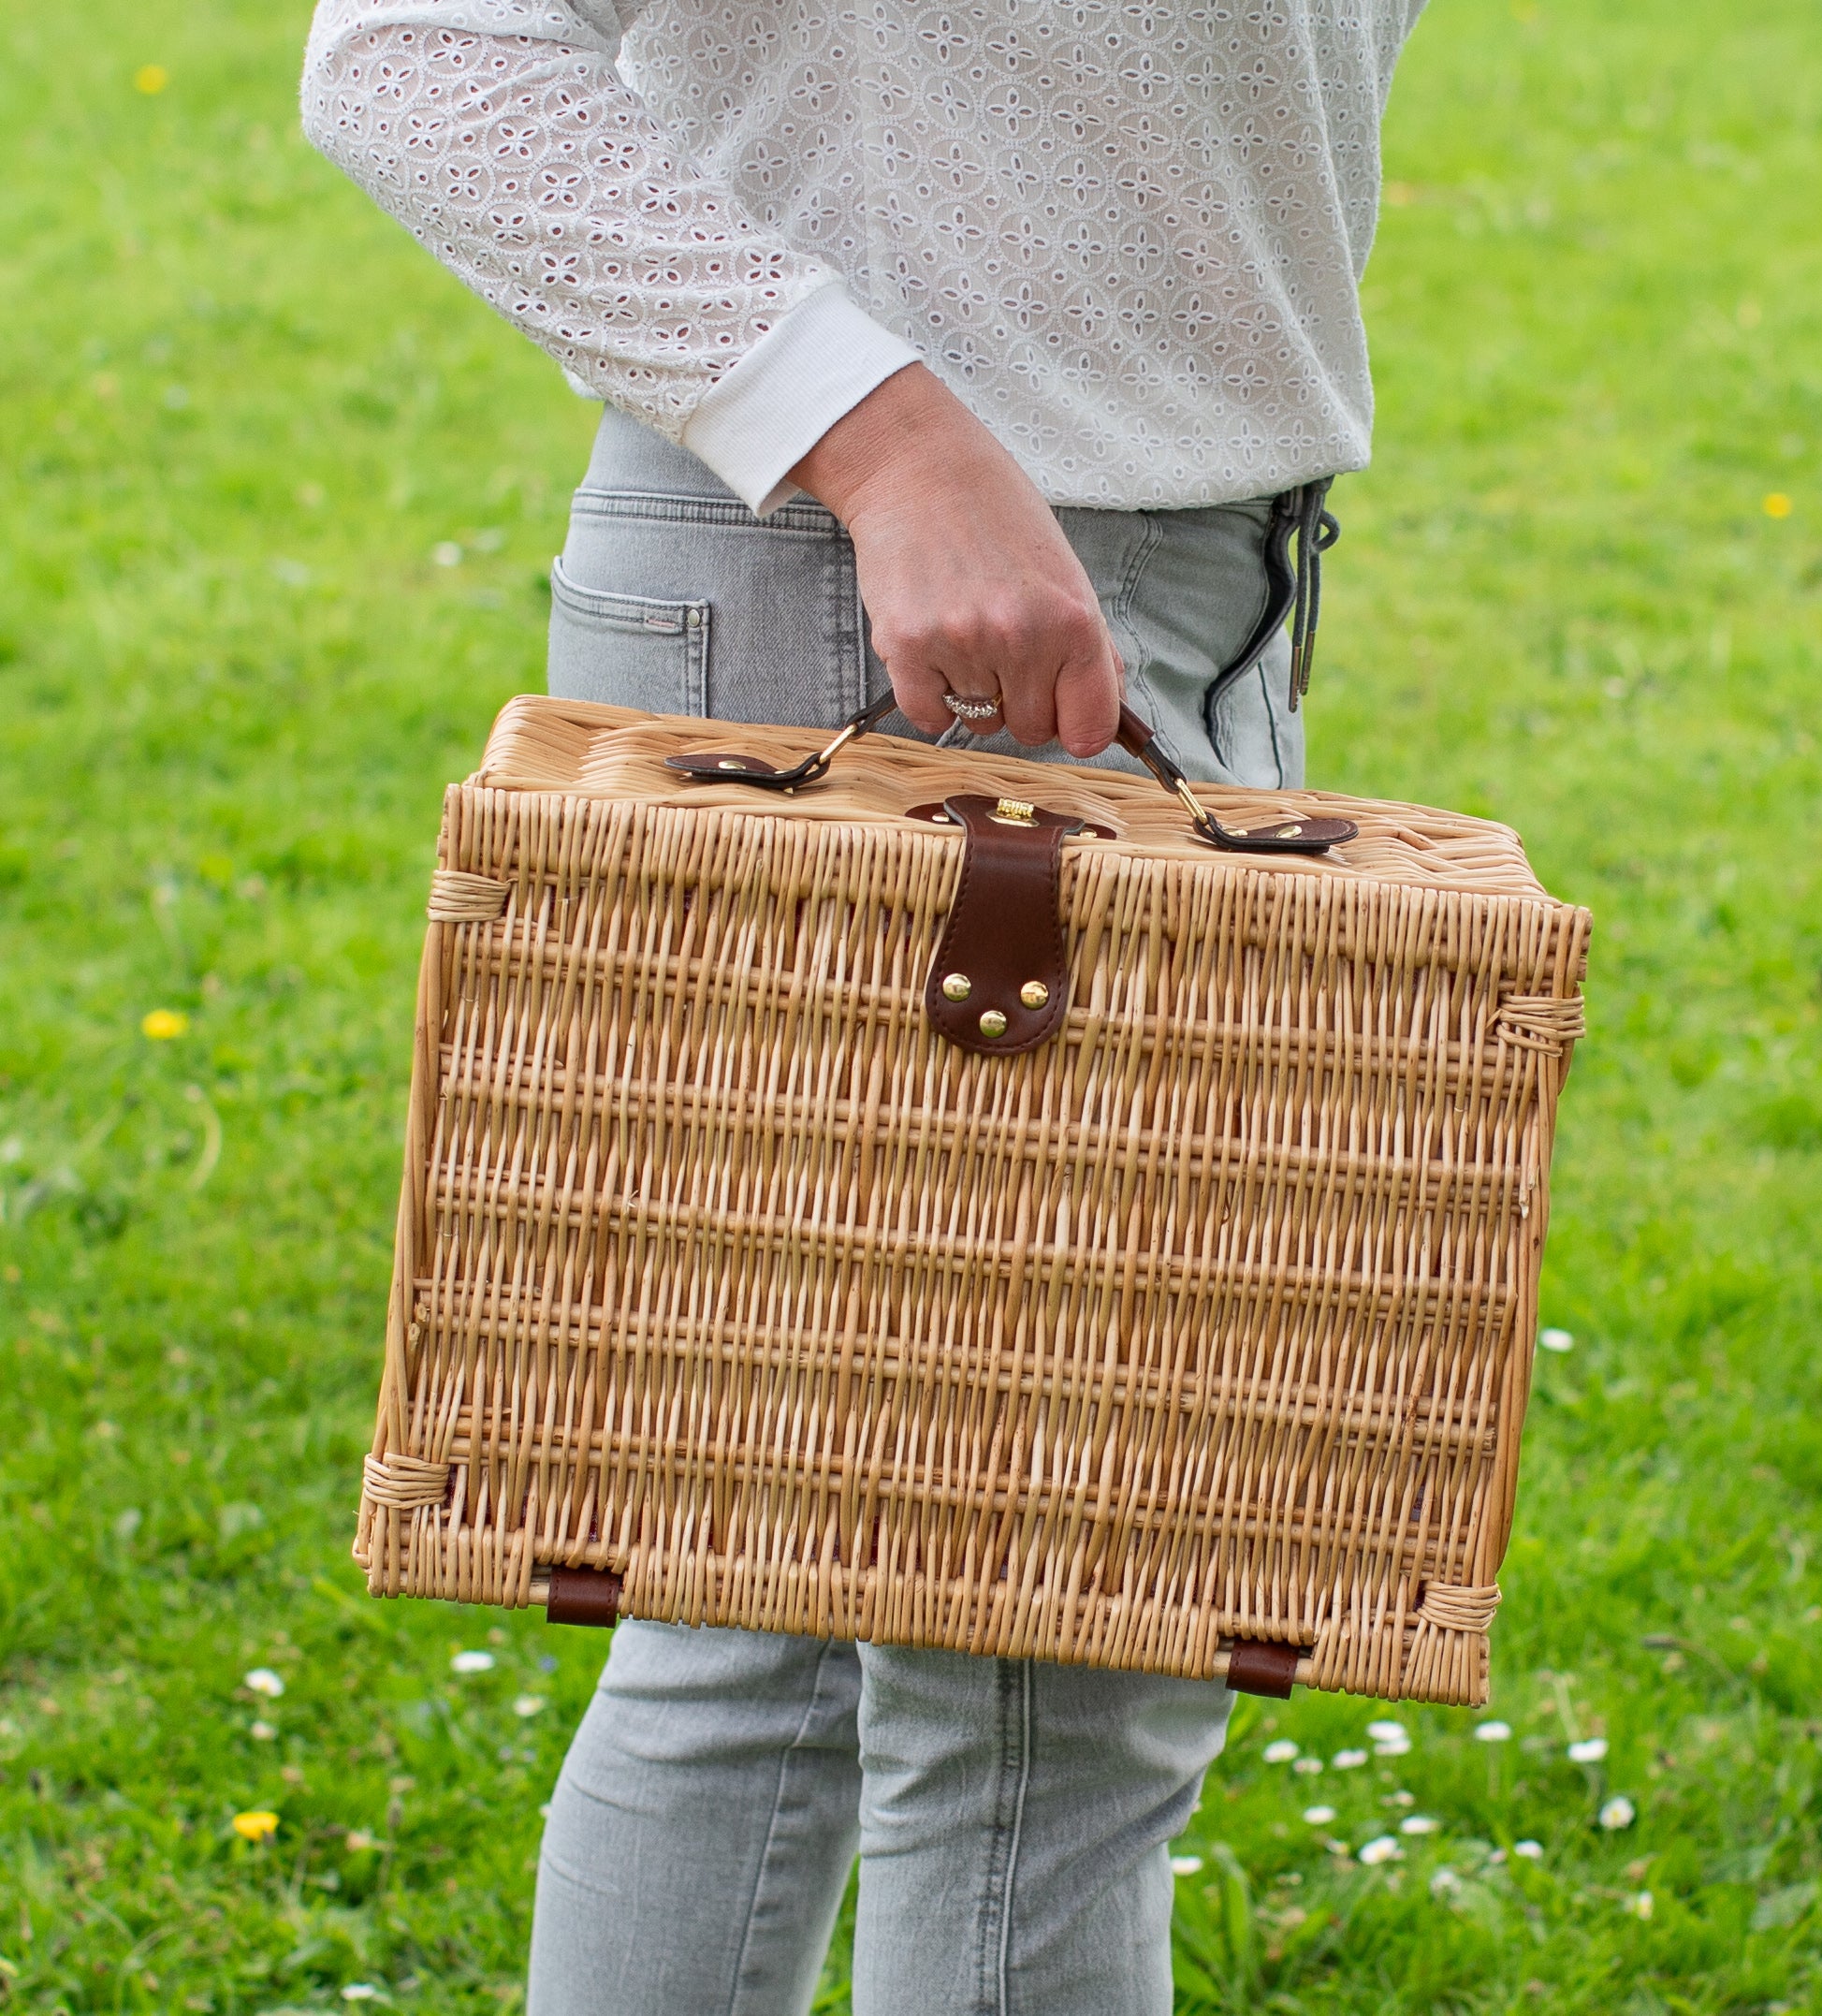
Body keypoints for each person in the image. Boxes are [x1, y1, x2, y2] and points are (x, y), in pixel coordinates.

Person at [301, 4, 1427, 2008]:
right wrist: (883, 433)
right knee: (998, 1658)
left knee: (844, 1630)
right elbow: (415, 44)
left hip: (1171, 599)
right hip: (900, 596)